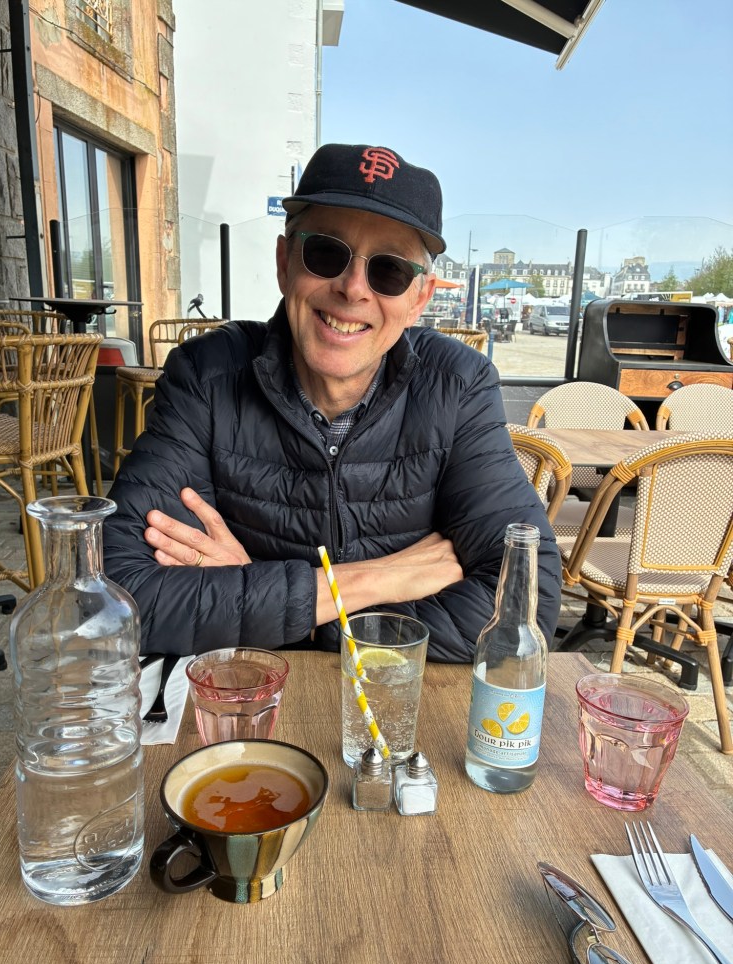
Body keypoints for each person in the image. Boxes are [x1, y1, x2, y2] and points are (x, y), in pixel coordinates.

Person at [103, 143, 561, 661]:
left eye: (389, 270)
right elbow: (117, 595)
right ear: (285, 264)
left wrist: (285, 612)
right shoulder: (206, 377)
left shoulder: (457, 385)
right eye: (326, 253)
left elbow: (526, 602)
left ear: (419, 298)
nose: (353, 289)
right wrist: (371, 581)